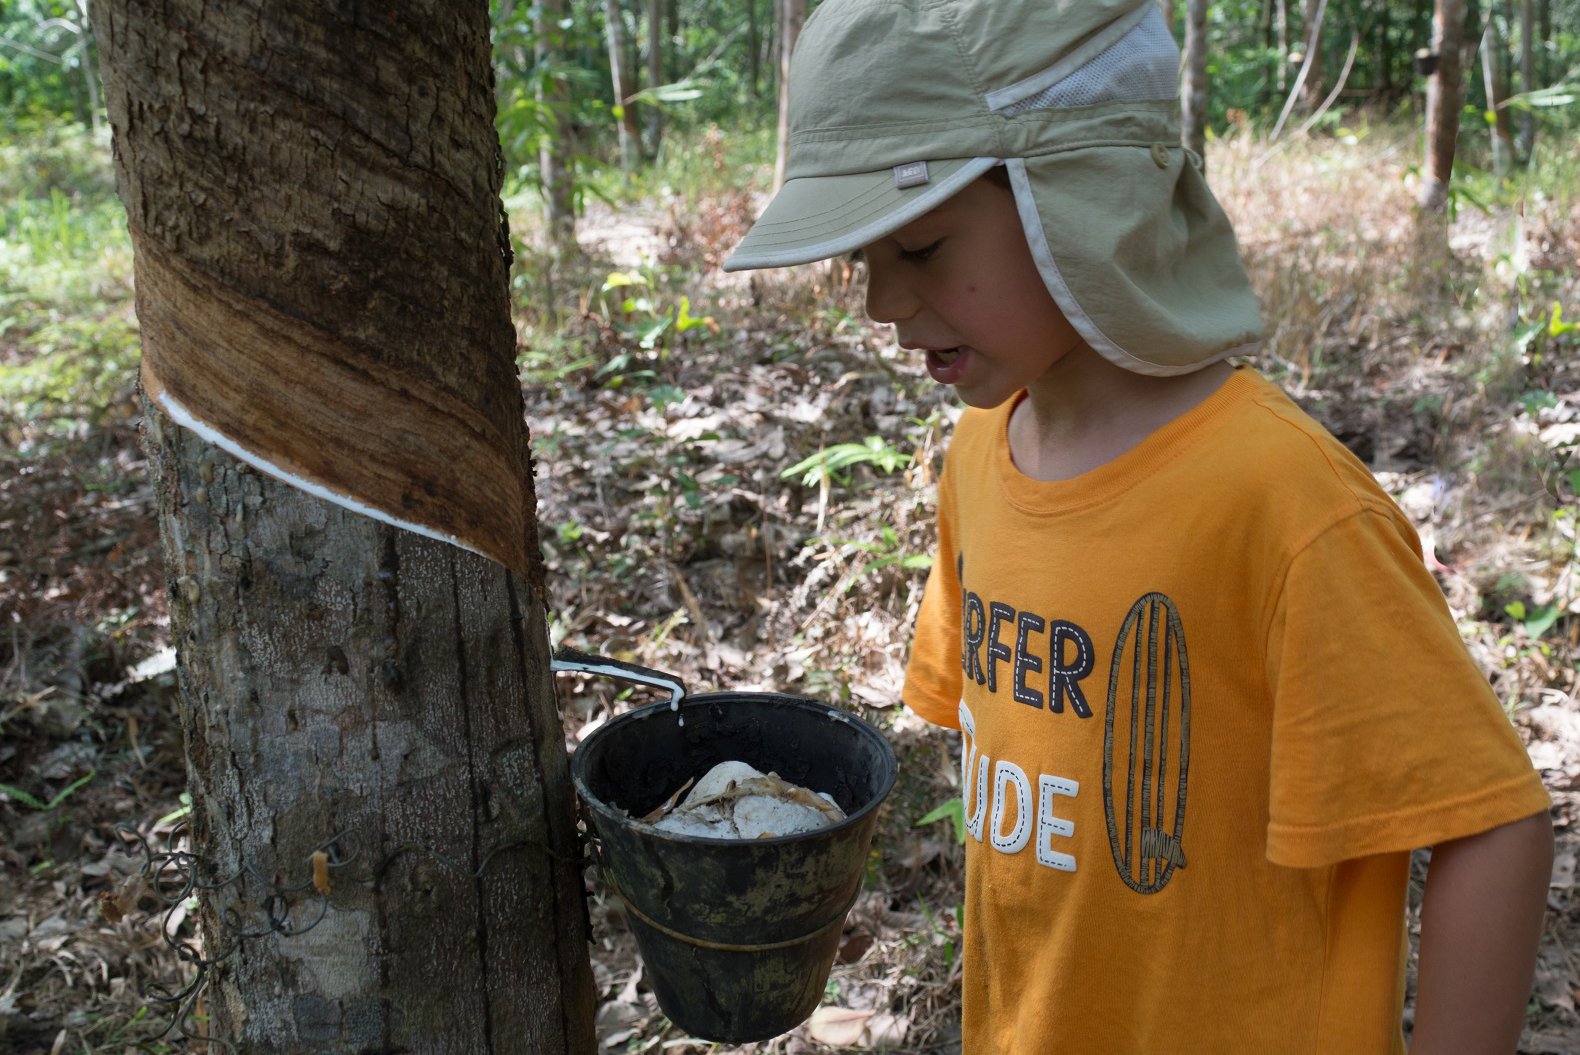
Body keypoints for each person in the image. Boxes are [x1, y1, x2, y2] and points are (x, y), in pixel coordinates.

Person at [722, 1, 1555, 1052]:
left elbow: (1491, 823)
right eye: (860, 262)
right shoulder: (982, 455)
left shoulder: (1282, 503)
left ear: (1080, 198)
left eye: (921, 246)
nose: (883, 301)